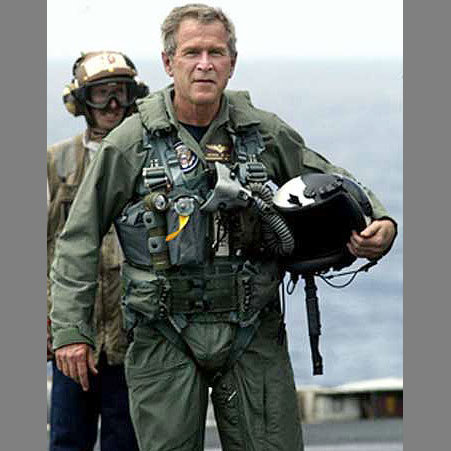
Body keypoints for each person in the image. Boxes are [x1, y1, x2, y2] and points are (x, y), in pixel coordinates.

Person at [50, 5, 397, 451]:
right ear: (168, 62)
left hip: (251, 330)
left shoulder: (262, 132)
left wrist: (379, 222)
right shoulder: (130, 142)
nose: (204, 64)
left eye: (216, 53)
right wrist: (71, 332)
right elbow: (78, 238)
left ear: (232, 63)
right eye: (191, 52)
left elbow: (330, 178)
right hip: (163, 333)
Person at [47, 50, 149, 451]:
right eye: (100, 94)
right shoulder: (56, 163)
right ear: (80, 101)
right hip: (75, 336)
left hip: (134, 338)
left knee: (126, 442)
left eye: (120, 93)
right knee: (68, 440)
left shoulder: (149, 158)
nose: (112, 104)